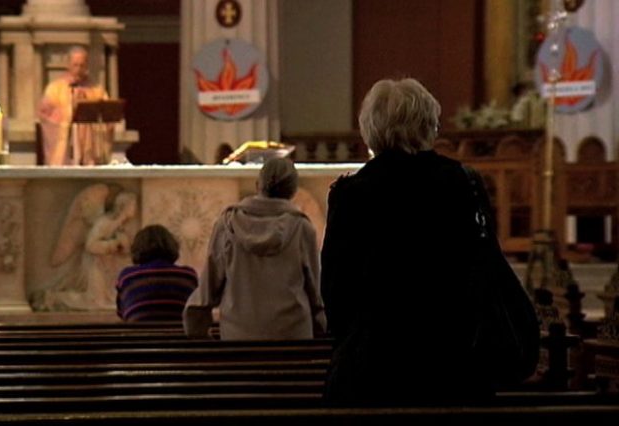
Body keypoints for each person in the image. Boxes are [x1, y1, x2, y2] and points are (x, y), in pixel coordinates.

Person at [320, 78, 538, 406]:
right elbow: (484, 268)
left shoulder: (351, 193)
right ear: (428, 125)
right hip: (454, 363)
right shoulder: (463, 182)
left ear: (370, 128)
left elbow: (336, 290)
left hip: (373, 369)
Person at [183, 157, 327, 340]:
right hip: (292, 335)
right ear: (293, 191)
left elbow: (210, 285)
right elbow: (315, 289)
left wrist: (196, 324)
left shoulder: (228, 223)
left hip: (239, 335)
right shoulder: (301, 227)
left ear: (258, 185)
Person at [29, 187, 138, 311]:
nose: (135, 208)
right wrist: (113, 244)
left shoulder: (121, 225)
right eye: (132, 205)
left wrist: (123, 247)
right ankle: (52, 298)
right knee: (97, 303)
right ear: (124, 206)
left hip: (109, 268)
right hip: (96, 265)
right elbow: (90, 245)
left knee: (113, 300)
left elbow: (123, 250)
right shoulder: (105, 222)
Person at [38, 46, 112, 166]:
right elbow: (45, 116)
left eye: (82, 65)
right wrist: (69, 111)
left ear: (86, 66)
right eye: (75, 65)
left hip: (89, 148)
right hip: (66, 147)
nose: (78, 69)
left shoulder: (96, 89)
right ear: (68, 65)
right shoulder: (55, 88)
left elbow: (107, 117)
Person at [116, 225, 199, 322]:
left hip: (139, 332)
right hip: (177, 332)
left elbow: (122, 313)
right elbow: (195, 312)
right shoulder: (188, 276)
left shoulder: (127, 277)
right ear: (172, 246)